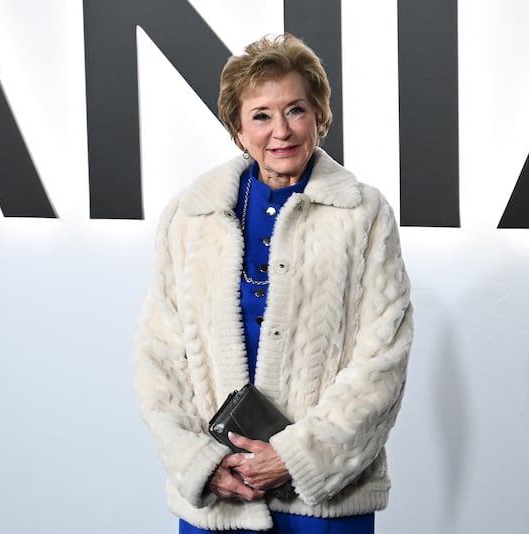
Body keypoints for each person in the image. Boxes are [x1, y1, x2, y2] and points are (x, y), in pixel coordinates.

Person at [134, 33, 414, 533]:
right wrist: (200, 461)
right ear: (238, 129)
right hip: (219, 498)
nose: (280, 130)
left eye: (296, 110)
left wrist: (297, 457)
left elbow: (383, 357)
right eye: (261, 115)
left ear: (320, 118)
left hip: (322, 505)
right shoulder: (190, 215)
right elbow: (160, 354)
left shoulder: (363, 214)